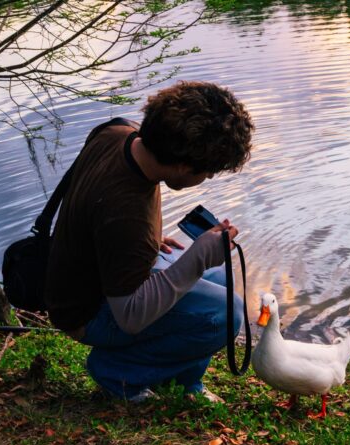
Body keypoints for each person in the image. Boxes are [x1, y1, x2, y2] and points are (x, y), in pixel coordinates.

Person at [45, 81, 254, 402]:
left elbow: (98, 208)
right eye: (208, 171)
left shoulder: (118, 132)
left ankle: (185, 385)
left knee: (218, 279)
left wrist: (146, 241)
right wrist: (195, 258)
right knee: (226, 314)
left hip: (90, 276)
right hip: (86, 312)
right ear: (184, 166)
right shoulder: (126, 211)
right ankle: (118, 371)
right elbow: (129, 317)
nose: (208, 178)